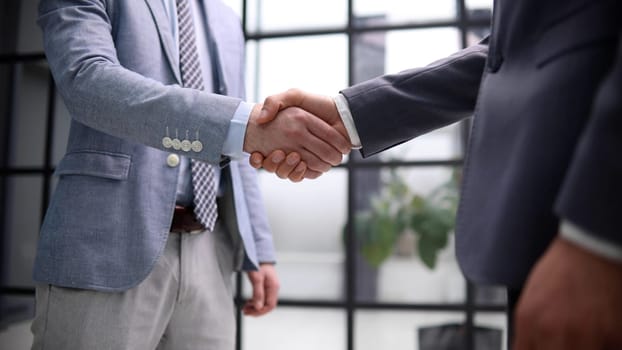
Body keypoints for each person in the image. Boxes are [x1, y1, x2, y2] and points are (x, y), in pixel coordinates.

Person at [251, 0, 622, 348]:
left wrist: (597, 237)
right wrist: (348, 114)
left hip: (586, 221)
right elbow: (506, 57)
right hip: (546, 218)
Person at [32, 0, 350, 349]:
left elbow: (241, 134)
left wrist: (259, 249)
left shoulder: (225, 17)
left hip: (211, 251)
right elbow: (86, 80)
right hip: (108, 244)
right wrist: (245, 127)